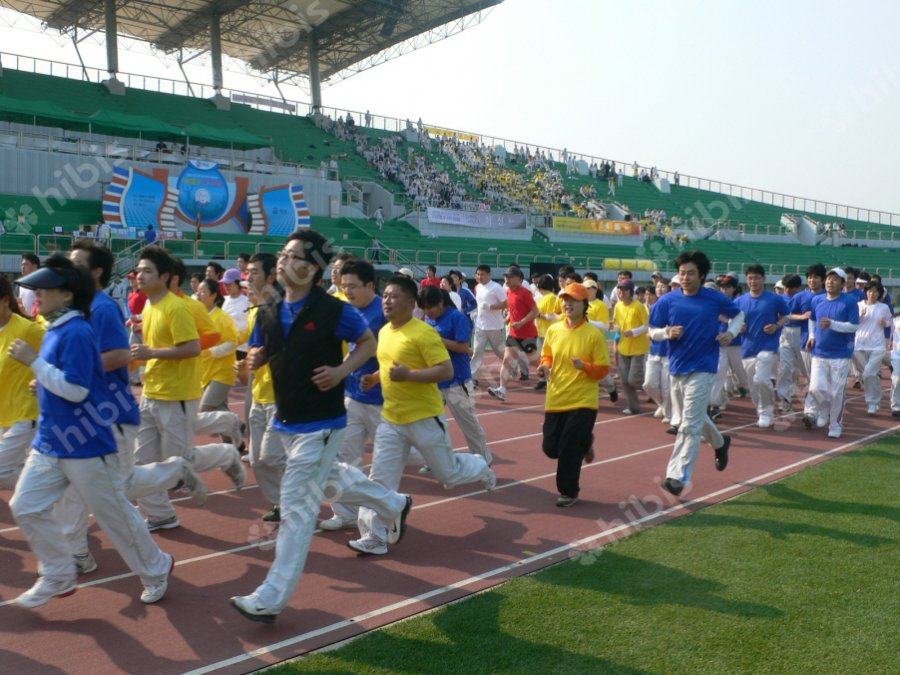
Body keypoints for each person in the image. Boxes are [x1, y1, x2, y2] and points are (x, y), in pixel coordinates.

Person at [230, 230, 412, 624]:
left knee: (297, 507)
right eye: (283, 254)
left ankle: (270, 597)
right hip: (286, 417)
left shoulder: (334, 310)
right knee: (332, 478)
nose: (283, 261)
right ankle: (393, 503)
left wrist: (342, 370)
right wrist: (256, 359)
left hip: (323, 421)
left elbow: (367, 343)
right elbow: (262, 349)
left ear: (313, 268)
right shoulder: (268, 308)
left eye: (294, 256)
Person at [8, 255, 174, 608]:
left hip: (86, 443)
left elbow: (77, 390)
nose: (36, 295)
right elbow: (62, 380)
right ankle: (58, 573)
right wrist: (44, 380)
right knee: (25, 505)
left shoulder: (78, 332)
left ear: (67, 295)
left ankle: (157, 567)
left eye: (44, 289)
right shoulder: (55, 328)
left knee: (114, 516)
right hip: (51, 440)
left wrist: (34, 363)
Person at [350, 275, 494, 556]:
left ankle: (479, 465)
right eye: (385, 296)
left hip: (424, 418)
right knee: (379, 479)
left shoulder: (424, 333)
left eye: (394, 296)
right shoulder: (385, 332)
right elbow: (389, 365)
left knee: (448, 474)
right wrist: (375, 378)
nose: (387, 301)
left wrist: (409, 375)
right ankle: (374, 537)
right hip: (391, 419)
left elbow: (446, 370)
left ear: (410, 303)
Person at [132, 247, 242, 531]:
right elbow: (155, 347)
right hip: (151, 391)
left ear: (165, 276)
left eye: (147, 271)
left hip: (177, 393)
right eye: (139, 270)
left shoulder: (179, 308)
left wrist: (150, 352)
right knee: (143, 461)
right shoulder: (149, 307)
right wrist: (143, 357)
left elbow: (192, 348)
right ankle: (161, 515)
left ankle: (227, 454)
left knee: (181, 460)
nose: (140, 276)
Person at [649, 251, 743, 497]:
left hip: (704, 367)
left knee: (689, 425)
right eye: (682, 273)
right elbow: (652, 330)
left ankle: (678, 477)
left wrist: (731, 333)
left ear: (701, 276)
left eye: (691, 273)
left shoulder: (713, 298)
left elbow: (738, 315)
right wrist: (666, 333)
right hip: (677, 367)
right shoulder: (668, 300)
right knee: (692, 418)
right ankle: (720, 443)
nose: (685, 278)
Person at [320, 258, 388, 530]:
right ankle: (346, 513)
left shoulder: (384, 310)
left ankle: (468, 465)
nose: (347, 291)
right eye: (343, 285)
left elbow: (398, 350)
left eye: (352, 286)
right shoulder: (346, 310)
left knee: (387, 465)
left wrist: (375, 372)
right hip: (352, 396)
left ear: (370, 285)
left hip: (384, 401)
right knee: (343, 459)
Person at [538, 283, 610, 507]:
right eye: (565, 300)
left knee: (569, 451)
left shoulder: (594, 335)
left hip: (583, 400)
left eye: (573, 300)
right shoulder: (554, 330)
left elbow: (603, 370)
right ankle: (585, 441)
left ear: (584, 304)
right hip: (556, 396)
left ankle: (568, 492)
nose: (567, 304)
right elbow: (547, 355)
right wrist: (545, 365)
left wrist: (585, 366)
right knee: (551, 448)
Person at [419, 286, 492, 465]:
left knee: (469, 425)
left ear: (440, 303)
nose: (427, 312)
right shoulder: (428, 318)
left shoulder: (457, 317)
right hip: (435, 380)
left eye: (430, 307)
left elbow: (463, 347)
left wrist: (438, 339)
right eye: (424, 308)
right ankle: (437, 460)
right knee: (431, 424)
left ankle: (484, 462)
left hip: (457, 382)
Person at [802, 268, 859, 439]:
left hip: (841, 354)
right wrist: (812, 336)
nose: (829, 282)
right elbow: (812, 320)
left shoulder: (849, 302)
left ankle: (835, 425)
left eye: (834, 279)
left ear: (842, 283)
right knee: (816, 387)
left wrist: (833, 324)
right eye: (828, 279)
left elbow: (854, 326)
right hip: (819, 352)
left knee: (836, 392)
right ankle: (822, 409)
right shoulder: (817, 299)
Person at [0, 275, 43, 492]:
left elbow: (59, 353)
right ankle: (48, 485)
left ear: (5, 300)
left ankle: (48, 486)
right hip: (4, 414)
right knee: (10, 471)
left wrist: (43, 378)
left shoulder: (27, 329)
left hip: (25, 413)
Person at [734, 265, 790, 428]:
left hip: (768, 346)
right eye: (750, 278)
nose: (753, 281)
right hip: (748, 347)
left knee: (762, 379)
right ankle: (761, 408)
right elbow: (732, 319)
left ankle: (766, 411)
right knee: (753, 384)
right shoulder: (740, 301)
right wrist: (739, 327)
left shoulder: (774, 299)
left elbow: (786, 315)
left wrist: (776, 325)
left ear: (764, 279)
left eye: (757, 278)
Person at [488, 266, 539, 401]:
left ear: (519, 279)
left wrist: (522, 322)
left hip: (527, 334)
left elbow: (535, 311)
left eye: (511, 277)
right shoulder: (508, 292)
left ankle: (551, 375)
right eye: (506, 276)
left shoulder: (525, 293)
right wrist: (508, 318)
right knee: (507, 361)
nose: (507, 279)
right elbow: (513, 308)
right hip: (514, 333)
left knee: (534, 361)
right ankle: (502, 390)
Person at [610, 279, 650, 414]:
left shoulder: (639, 307)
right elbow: (617, 324)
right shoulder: (618, 306)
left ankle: (650, 382)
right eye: (619, 289)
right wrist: (613, 326)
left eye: (625, 289)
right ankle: (634, 407)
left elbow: (646, 325)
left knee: (632, 379)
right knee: (625, 380)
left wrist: (634, 332)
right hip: (623, 347)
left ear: (631, 291)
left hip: (638, 348)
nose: (621, 292)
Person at [852, 280, 891, 415]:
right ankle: (876, 397)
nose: (872, 294)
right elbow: (852, 322)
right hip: (859, 345)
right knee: (869, 375)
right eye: (869, 291)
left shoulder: (883, 307)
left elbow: (890, 322)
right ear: (865, 292)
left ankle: (872, 403)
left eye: (875, 291)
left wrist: (885, 323)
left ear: (879, 293)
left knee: (869, 374)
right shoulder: (858, 306)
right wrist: (860, 315)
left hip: (877, 346)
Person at [775, 274, 808, 411]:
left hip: (801, 334)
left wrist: (803, 317)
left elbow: (808, 315)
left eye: (791, 287)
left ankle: (813, 393)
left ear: (797, 287)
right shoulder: (779, 299)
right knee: (785, 367)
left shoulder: (803, 298)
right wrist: (800, 316)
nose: (788, 290)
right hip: (784, 333)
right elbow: (782, 315)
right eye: (786, 287)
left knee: (806, 368)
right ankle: (785, 398)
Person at [470, 265, 507, 386]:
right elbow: (479, 304)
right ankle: (473, 378)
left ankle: (512, 364)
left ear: (489, 274)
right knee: (477, 351)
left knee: (500, 352)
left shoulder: (496, 287)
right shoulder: (478, 287)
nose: (479, 277)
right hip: (480, 325)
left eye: (482, 274)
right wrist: (476, 312)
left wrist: (491, 307)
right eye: (478, 274)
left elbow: (506, 303)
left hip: (495, 326)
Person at [221, 268, 251, 359]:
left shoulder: (247, 301)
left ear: (238, 283)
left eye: (229, 283)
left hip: (242, 349)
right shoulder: (223, 300)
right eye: (224, 283)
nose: (226, 286)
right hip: (226, 347)